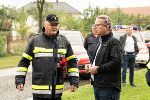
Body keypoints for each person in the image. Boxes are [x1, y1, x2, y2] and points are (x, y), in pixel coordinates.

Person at [15, 14, 79, 100]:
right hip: (39, 93)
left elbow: (72, 62)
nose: (55, 27)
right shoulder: (35, 41)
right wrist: (20, 80)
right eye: (52, 25)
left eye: (56, 25)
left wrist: (74, 81)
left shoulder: (64, 41)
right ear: (45, 25)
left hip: (57, 92)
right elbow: (24, 62)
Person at [85, 15, 122, 100]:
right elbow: (99, 60)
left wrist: (98, 69)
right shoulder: (100, 41)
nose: (95, 27)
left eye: (98, 25)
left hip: (108, 87)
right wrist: (90, 66)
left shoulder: (114, 42)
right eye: (95, 25)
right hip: (98, 85)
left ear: (107, 27)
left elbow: (117, 62)